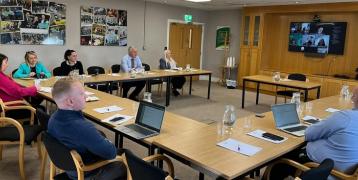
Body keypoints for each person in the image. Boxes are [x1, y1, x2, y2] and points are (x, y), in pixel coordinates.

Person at [270, 87, 358, 179]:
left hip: (324, 170)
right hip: (347, 171)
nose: (351, 98)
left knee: (278, 162)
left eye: (353, 95)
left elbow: (309, 134)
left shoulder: (345, 117)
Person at [47, 78, 126, 180]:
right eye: (81, 94)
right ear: (70, 101)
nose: (86, 96)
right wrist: (106, 141)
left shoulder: (53, 118)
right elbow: (111, 153)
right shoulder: (82, 128)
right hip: (87, 173)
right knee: (128, 161)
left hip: (70, 168)